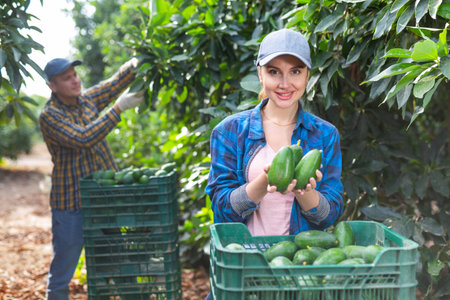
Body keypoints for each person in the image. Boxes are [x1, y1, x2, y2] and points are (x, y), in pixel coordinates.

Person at [206, 28, 344, 238]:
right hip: (245, 260)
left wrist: (305, 191)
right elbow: (222, 209)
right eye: (273, 72)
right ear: (260, 74)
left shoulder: (325, 135)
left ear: (308, 75)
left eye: (295, 72)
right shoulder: (229, 132)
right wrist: (265, 182)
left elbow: (330, 215)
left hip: (299, 261)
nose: (284, 84)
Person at [39, 57, 145, 300]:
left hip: (103, 200)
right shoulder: (50, 115)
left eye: (75, 74)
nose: (75, 80)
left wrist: (137, 61)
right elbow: (84, 138)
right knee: (63, 269)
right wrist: (118, 109)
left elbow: (114, 83)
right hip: (71, 204)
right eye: (67, 78)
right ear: (52, 86)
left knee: (119, 260)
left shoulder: (87, 100)